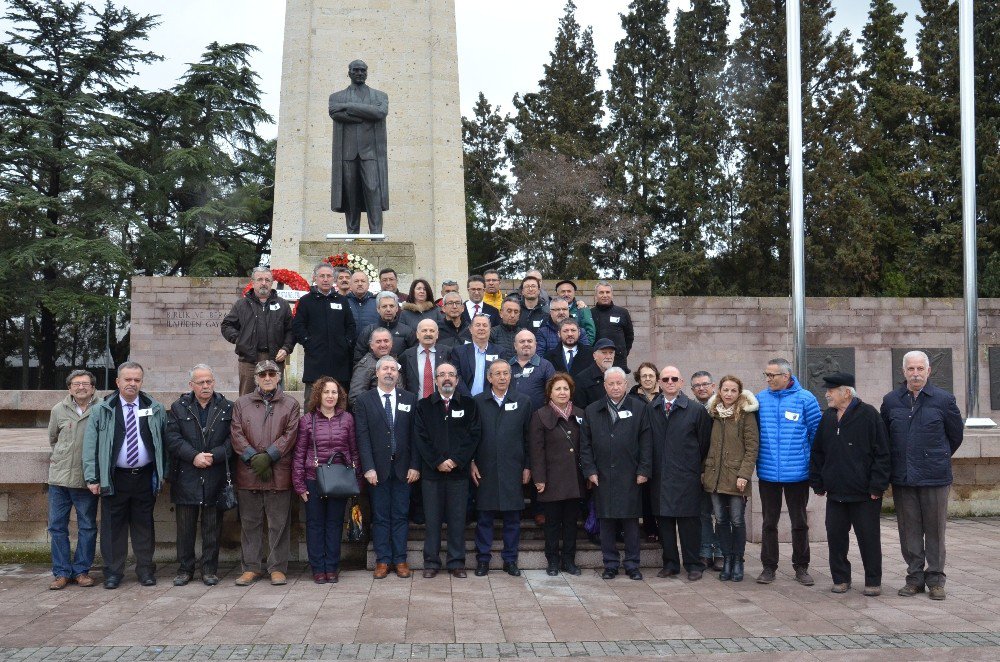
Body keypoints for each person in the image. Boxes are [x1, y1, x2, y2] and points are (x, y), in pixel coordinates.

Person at [881, 350, 963, 600]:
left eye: (920, 369)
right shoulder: (892, 400)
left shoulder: (944, 400)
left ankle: (936, 579)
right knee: (909, 530)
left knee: (935, 530)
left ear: (929, 371)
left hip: (934, 477)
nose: (915, 374)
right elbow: (885, 436)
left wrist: (935, 456)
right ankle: (914, 577)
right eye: (911, 369)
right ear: (903, 372)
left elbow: (955, 436)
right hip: (903, 477)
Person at [83, 361, 167, 589]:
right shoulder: (103, 409)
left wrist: (163, 473)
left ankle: (146, 571)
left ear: (141, 382)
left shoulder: (154, 407)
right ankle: (112, 573)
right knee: (112, 528)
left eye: (136, 380)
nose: (132, 384)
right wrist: (92, 477)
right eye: (127, 379)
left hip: (144, 476)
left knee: (144, 526)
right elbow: (90, 446)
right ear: (117, 381)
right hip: (114, 477)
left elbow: (163, 442)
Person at [811, 372, 890, 596]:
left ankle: (873, 581)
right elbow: (818, 451)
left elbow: (882, 454)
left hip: (865, 494)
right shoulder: (827, 417)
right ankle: (840, 578)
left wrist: (877, 486)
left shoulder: (869, 415)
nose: (827, 394)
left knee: (869, 539)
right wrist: (818, 481)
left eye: (831, 391)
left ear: (846, 392)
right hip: (835, 493)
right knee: (835, 538)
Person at [230, 360, 300, 586]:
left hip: (278, 471)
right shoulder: (242, 403)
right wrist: (252, 457)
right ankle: (251, 567)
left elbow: (290, 434)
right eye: (263, 375)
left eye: (271, 374)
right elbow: (236, 433)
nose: (267, 378)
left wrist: (269, 456)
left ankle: (277, 567)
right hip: (248, 472)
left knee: (278, 523)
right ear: (256, 378)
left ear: (278, 377)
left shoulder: (290, 404)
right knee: (250, 523)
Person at [580, 367, 652, 580]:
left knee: (630, 522)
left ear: (626, 385)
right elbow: (585, 445)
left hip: (631, 475)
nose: (615, 387)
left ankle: (632, 564)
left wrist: (644, 470)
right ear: (604, 386)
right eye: (610, 383)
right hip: (602, 475)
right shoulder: (592, 410)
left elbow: (646, 442)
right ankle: (610, 564)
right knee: (607, 522)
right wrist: (590, 470)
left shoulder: (640, 409)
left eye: (619, 383)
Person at [755, 357, 822, 586]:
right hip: (767, 473)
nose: (768, 379)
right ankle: (768, 567)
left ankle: (801, 567)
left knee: (799, 522)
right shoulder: (759, 400)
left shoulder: (806, 399)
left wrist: (814, 468)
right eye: (766, 375)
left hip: (798, 474)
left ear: (786, 376)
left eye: (772, 375)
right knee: (768, 523)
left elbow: (816, 436)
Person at [164, 364, 232, 587]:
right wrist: (193, 456)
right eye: (201, 382)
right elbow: (172, 439)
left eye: (209, 381)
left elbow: (234, 440)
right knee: (185, 527)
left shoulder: (226, 407)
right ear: (191, 385)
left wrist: (216, 455)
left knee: (212, 526)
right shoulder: (178, 407)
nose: (206, 386)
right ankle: (185, 569)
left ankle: (210, 570)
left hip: (215, 473)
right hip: (186, 474)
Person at [414, 363, 481, 578]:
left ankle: (456, 562)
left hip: (458, 474)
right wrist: (437, 461)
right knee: (432, 520)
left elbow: (474, 435)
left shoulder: (469, 405)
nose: (446, 378)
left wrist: (456, 460)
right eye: (442, 375)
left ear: (457, 380)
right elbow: (420, 437)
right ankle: (431, 563)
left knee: (457, 519)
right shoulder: (424, 406)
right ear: (435, 380)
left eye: (451, 374)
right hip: (432, 475)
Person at [356, 356, 420, 579]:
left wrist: (415, 465)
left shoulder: (410, 399)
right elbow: (362, 437)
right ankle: (382, 560)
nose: (389, 372)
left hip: (404, 468)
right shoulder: (364, 400)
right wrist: (368, 468)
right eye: (385, 369)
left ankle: (400, 560)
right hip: (377, 470)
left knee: (401, 515)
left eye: (393, 369)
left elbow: (415, 436)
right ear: (377, 373)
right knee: (381, 516)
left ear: (398, 374)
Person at [647, 366, 713, 581]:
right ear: (659, 382)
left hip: (686, 476)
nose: (670, 382)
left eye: (674, 378)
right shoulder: (652, 408)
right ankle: (670, 564)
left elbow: (704, 443)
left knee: (689, 524)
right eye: (665, 379)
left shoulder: (695, 410)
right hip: (660, 476)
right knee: (664, 523)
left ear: (682, 382)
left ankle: (693, 564)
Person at [293, 376, 359, 584]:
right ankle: (317, 568)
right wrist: (299, 484)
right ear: (318, 395)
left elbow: (354, 450)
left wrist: (356, 480)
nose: (330, 396)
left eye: (334, 392)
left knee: (334, 524)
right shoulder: (307, 420)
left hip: (339, 480)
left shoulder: (347, 418)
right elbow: (299, 453)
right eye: (326, 392)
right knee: (315, 525)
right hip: (313, 480)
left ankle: (332, 567)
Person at [472, 361, 533, 576]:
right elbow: (472, 436)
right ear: (489, 378)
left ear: (511, 376)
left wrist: (527, 466)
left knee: (512, 519)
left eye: (506, 373)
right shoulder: (478, 402)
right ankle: (483, 560)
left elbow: (528, 438)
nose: (502, 377)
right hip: (485, 468)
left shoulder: (523, 401)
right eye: (497, 374)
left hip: (513, 467)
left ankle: (510, 560)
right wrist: (471, 462)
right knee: (485, 518)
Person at [703, 375, 759, 583]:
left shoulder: (745, 415)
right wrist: (704, 472)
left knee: (737, 520)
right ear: (719, 391)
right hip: (715, 477)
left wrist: (744, 474)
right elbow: (705, 445)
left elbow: (752, 447)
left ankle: (738, 561)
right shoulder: (713, 414)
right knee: (721, 519)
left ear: (739, 393)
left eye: (733, 390)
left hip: (736, 477)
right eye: (725, 390)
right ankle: (726, 559)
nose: (728, 394)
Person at [46, 370, 99, 590]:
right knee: (57, 527)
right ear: (69, 388)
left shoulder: (102, 409)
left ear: (93, 388)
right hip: (59, 480)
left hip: (85, 481)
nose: (81, 387)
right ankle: (61, 573)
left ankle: (81, 571)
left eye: (85, 384)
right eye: (76, 384)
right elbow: (53, 438)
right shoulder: (59, 409)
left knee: (87, 526)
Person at [529, 373, 586, 576]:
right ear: (550, 393)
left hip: (574, 479)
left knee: (571, 523)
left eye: (565, 389)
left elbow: (586, 447)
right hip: (551, 480)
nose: (562, 392)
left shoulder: (580, 414)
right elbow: (536, 450)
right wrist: (539, 478)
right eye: (558, 389)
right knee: (552, 523)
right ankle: (552, 561)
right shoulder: (540, 415)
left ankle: (569, 561)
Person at [329, 59, 388, 234]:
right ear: (349, 72)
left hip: (370, 153)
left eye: (363, 70)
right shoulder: (336, 97)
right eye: (356, 70)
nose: (359, 73)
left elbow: (379, 113)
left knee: (373, 191)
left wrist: (347, 107)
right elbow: (334, 112)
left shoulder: (380, 96)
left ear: (367, 72)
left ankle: (376, 235)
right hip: (348, 154)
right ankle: (352, 235)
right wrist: (365, 113)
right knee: (351, 195)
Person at [221, 267, 295, 395]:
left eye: (267, 280)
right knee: (247, 397)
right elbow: (227, 325)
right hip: (249, 360)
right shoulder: (241, 305)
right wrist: (240, 340)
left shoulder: (283, 305)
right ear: (253, 282)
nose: (264, 283)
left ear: (272, 283)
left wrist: (286, 348)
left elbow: (291, 330)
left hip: (275, 359)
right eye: (260, 279)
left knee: (275, 399)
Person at [294, 263, 357, 402]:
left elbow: (351, 325)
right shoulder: (305, 301)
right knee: (312, 403)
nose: (325, 279)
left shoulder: (342, 301)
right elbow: (298, 326)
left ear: (333, 279)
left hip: (339, 363)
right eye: (322, 276)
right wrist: (308, 343)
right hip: (315, 362)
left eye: (329, 276)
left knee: (340, 403)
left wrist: (346, 343)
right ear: (315, 278)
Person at [690, 370, 722, 571]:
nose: (701, 388)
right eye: (697, 386)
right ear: (692, 389)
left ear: (713, 386)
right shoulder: (691, 409)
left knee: (720, 513)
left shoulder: (724, 408)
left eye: (705, 384)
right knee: (702, 512)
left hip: (720, 470)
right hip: (698, 470)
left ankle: (719, 552)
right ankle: (704, 551)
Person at [627, 361, 661, 543]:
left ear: (656, 377)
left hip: (662, 451)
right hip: (640, 451)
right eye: (644, 376)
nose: (647, 379)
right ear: (638, 379)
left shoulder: (664, 396)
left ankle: (661, 528)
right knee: (645, 493)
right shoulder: (631, 398)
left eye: (651, 375)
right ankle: (649, 527)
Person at [353, 291, 415, 363]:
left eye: (391, 306)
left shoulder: (407, 332)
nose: (388, 309)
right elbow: (358, 359)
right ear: (378, 309)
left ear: (397, 308)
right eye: (384, 306)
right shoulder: (368, 331)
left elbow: (413, 360)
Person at [400, 319, 454, 397]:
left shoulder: (448, 353)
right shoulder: (406, 355)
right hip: (416, 405)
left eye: (432, 331)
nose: (428, 334)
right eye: (424, 330)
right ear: (417, 334)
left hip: (441, 404)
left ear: (437, 334)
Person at [453, 313, 501, 397]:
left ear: (490, 329)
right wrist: (468, 398)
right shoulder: (459, 352)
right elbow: (456, 377)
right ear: (470, 329)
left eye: (485, 325)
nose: (481, 328)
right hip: (465, 399)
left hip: (490, 400)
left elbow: (500, 377)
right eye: (478, 325)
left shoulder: (499, 352)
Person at [590, 282, 634, 372]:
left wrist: (622, 353)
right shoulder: (590, 313)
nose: (605, 295)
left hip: (618, 361)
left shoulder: (623, 312)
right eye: (601, 292)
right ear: (596, 295)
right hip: (595, 362)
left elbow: (629, 336)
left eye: (607, 292)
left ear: (612, 295)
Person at [509, 329, 556, 412]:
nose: (526, 344)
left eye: (529, 341)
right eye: (522, 341)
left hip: (538, 418)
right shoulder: (507, 366)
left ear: (535, 345)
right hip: (511, 416)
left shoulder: (546, 366)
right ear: (515, 346)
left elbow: (553, 393)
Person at [349, 327, 394, 408]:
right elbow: (355, 399)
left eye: (386, 341)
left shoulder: (394, 361)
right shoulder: (364, 366)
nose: (383, 345)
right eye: (378, 342)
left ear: (391, 343)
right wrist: (374, 412)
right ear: (371, 345)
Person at [573, 339, 617, 409]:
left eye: (611, 353)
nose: (608, 357)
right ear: (594, 356)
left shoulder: (618, 375)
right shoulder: (582, 379)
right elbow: (580, 409)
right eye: (604, 353)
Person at [554, 280, 596, 344]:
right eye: (563, 291)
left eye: (569, 291)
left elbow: (590, 332)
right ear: (557, 293)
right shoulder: (551, 309)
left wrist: (584, 349)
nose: (566, 294)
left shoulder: (582, 309)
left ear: (574, 293)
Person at [347, 270, 379, 335]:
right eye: (356, 281)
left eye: (363, 281)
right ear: (350, 285)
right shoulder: (344, 302)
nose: (360, 284)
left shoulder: (377, 302)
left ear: (368, 285)